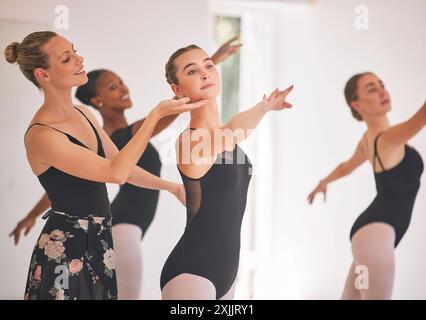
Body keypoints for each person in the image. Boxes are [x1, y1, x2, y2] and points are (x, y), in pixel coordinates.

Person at [9, 36, 242, 299]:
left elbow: (122, 167)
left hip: (100, 239)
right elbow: (116, 173)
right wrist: (155, 114)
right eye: (66, 58)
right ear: (43, 74)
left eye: (75, 51)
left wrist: (171, 187)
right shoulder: (41, 135)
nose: (79, 59)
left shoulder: (83, 114)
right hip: (65, 248)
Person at [160, 44, 294, 299]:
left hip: (228, 271)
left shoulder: (223, 137)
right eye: (192, 71)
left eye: (209, 65)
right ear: (177, 90)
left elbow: (230, 131)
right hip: (191, 274)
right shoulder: (189, 142)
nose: (205, 73)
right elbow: (234, 131)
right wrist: (263, 107)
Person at [308, 72, 425, 299]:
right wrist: (323, 182)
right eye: (372, 89)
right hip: (374, 238)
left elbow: (346, 167)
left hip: (367, 239)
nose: (382, 91)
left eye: (382, 85)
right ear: (357, 104)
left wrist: (323, 182)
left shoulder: (368, 141)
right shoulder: (388, 138)